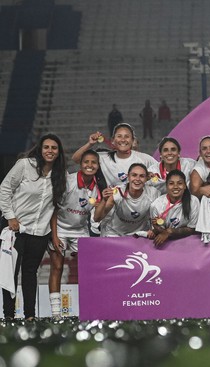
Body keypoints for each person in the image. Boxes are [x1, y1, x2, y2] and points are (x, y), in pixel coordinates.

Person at [0, 134, 67, 320]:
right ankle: (9, 316)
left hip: (40, 232)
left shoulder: (60, 175)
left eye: (54, 148)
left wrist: (52, 235)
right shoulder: (24, 165)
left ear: (59, 152)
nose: (50, 151)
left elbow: (55, 207)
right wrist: (10, 217)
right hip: (16, 229)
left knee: (30, 273)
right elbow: (4, 189)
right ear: (40, 149)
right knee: (10, 274)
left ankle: (30, 315)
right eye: (46, 147)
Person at [48, 149, 105, 317]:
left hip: (81, 231)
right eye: (86, 162)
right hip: (60, 228)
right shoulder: (69, 181)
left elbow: (96, 216)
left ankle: (88, 309)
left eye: (93, 162)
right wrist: (55, 235)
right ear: (80, 164)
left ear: (98, 165)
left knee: (87, 269)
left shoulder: (99, 187)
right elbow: (54, 209)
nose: (90, 165)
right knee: (57, 267)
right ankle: (56, 313)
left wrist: (103, 202)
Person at [72, 124, 157, 189]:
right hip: (110, 208)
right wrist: (90, 143)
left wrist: (151, 177)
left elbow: (161, 172)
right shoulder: (103, 158)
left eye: (127, 137)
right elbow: (76, 159)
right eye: (119, 136)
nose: (123, 140)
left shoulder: (145, 159)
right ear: (112, 140)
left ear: (133, 140)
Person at [94, 163, 160, 237]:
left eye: (142, 176)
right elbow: (97, 218)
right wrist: (104, 200)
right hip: (115, 233)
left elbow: (157, 218)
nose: (137, 179)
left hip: (139, 234)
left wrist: (154, 230)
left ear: (146, 178)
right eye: (134, 175)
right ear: (128, 176)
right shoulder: (117, 193)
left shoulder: (153, 194)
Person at [148, 169, 200, 247]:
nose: (175, 187)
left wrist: (170, 231)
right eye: (171, 183)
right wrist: (157, 227)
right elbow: (161, 234)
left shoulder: (193, 201)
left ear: (185, 186)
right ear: (166, 186)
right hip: (166, 244)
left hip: (188, 243)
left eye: (179, 183)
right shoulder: (156, 205)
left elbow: (192, 229)